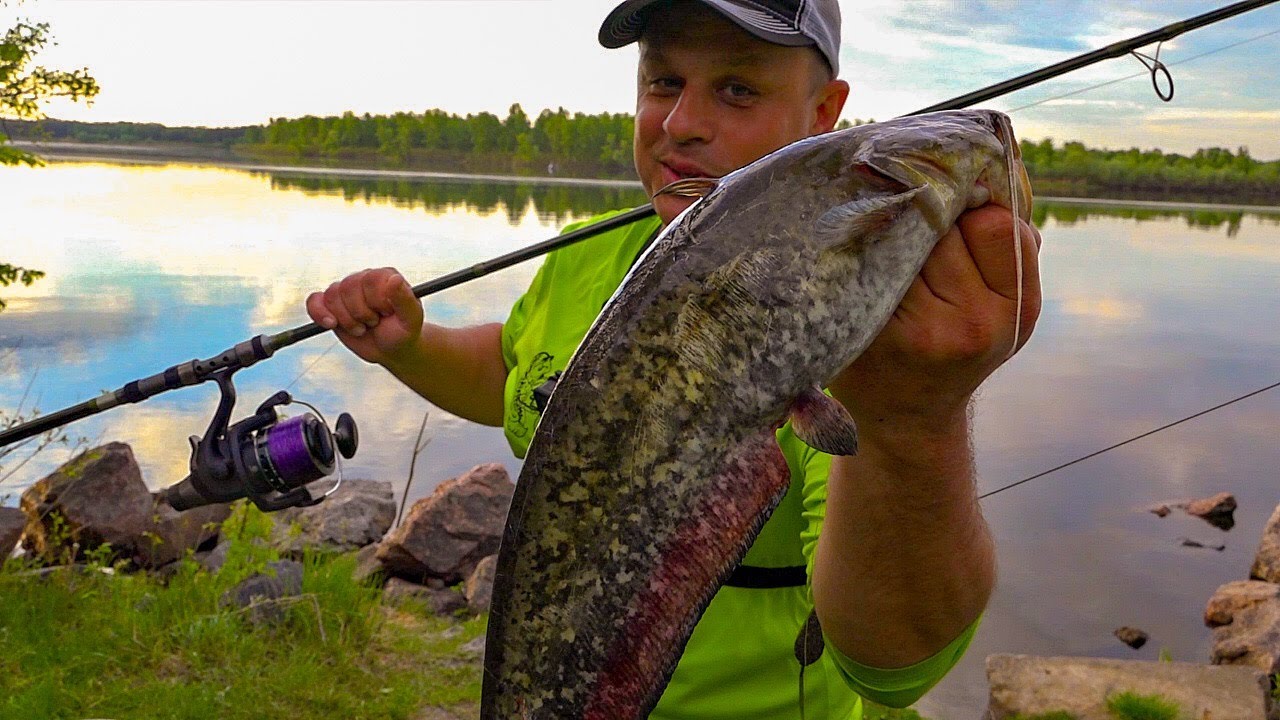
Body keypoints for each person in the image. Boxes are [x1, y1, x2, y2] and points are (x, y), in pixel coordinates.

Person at [306, 1, 1043, 717]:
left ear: (823, 113)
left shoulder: (861, 322)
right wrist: (412, 346)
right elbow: (513, 375)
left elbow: (893, 662)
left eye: (737, 88)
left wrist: (913, 419)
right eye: (663, 81)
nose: (680, 123)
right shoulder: (592, 250)